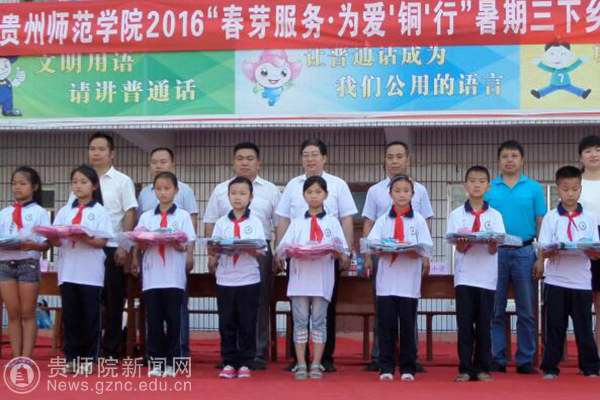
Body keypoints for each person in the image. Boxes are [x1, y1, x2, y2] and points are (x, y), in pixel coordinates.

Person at [275, 139, 357, 372]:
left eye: (314, 154)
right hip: (298, 260)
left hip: (326, 260)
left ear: (325, 157)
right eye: (305, 154)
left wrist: (346, 252)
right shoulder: (292, 185)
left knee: (326, 309)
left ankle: (324, 359)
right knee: (298, 311)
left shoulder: (338, 184)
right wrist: (279, 251)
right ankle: (298, 359)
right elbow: (284, 219)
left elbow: (346, 218)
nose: (310, 159)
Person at [203, 142, 281, 370]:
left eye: (249, 158)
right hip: (225, 253)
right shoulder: (220, 190)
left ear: (258, 163)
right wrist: (211, 254)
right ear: (233, 162)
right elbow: (210, 222)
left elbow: (279, 224)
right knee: (229, 309)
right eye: (240, 158)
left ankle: (257, 353)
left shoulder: (270, 190)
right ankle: (230, 356)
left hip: (259, 251)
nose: (244, 162)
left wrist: (278, 252)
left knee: (258, 303)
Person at [362, 141, 434, 372]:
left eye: (399, 156)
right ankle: (380, 358)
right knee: (383, 310)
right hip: (384, 259)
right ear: (384, 160)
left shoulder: (420, 190)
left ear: (408, 160)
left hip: (411, 261)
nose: (395, 161)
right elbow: (368, 223)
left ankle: (410, 359)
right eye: (390, 157)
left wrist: (424, 255)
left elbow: (427, 222)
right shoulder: (375, 191)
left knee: (409, 311)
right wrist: (367, 255)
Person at [69, 132, 138, 359]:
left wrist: (124, 246)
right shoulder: (81, 181)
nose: (96, 153)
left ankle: (111, 349)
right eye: (92, 149)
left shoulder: (122, 181)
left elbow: (129, 213)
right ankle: (86, 349)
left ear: (112, 153)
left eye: (101, 149)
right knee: (86, 300)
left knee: (113, 300)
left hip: (111, 247)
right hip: (83, 249)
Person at [485, 140, 546, 374]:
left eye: (514, 156)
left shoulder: (534, 188)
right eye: (505, 156)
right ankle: (497, 358)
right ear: (498, 160)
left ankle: (525, 360)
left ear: (522, 160)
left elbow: (541, 224)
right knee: (495, 308)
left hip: (525, 252)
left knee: (527, 309)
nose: (509, 160)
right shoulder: (489, 188)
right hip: (496, 253)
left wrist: (541, 257)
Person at [536, 166, 600, 379]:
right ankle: (550, 367)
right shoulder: (550, 217)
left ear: (580, 189)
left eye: (574, 189)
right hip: (556, 281)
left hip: (581, 281)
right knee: (555, 326)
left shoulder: (589, 218)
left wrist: (589, 249)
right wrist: (552, 250)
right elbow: (544, 249)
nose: (570, 193)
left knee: (583, 327)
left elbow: (595, 253)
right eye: (565, 189)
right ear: (558, 190)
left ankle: (590, 367)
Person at [49, 165, 114, 374]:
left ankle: (90, 358)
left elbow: (103, 241)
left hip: (90, 273)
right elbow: (56, 240)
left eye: (83, 182)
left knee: (91, 317)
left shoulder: (100, 211)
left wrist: (84, 238)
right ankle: (71, 358)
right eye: (75, 182)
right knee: (71, 317)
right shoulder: (64, 211)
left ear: (94, 186)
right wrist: (50, 236)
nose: (78, 186)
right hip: (68, 272)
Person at [132, 172, 196, 378]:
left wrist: (174, 242)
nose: (163, 193)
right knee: (154, 320)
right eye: (158, 189)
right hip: (152, 277)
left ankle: (173, 361)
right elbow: (141, 244)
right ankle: (156, 361)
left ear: (176, 190)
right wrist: (144, 240)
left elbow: (185, 245)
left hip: (174, 277)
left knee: (174, 320)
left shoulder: (183, 216)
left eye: (167, 188)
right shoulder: (146, 217)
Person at [447, 166, 505, 382]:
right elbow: (458, 246)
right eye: (472, 181)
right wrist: (462, 243)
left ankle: (482, 368)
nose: (476, 185)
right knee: (464, 325)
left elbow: (495, 248)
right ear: (465, 186)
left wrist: (491, 243)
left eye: (481, 181)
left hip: (487, 278)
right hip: (464, 277)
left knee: (483, 325)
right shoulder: (456, 215)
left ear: (488, 186)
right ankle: (465, 368)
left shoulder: (496, 216)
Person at [208, 177, 266, 379]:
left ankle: (246, 363)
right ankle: (229, 361)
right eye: (233, 193)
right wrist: (215, 249)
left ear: (251, 197)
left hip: (248, 279)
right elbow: (213, 248)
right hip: (225, 279)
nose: (237, 197)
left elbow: (261, 249)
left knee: (247, 322)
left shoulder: (255, 222)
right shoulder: (221, 223)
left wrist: (246, 247)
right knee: (227, 323)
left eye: (242, 193)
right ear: (228, 196)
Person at [0, 167, 50, 359]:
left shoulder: (39, 212)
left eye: (22, 183)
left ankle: (27, 357)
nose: (17, 187)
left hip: (27, 264)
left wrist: (32, 245)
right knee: (13, 313)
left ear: (34, 187)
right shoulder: (5, 212)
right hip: (5, 265)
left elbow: (46, 243)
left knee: (27, 312)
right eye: (14, 183)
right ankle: (16, 356)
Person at [578, 135, 600, 356]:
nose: (594, 154)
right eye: (588, 151)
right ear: (581, 157)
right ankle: (587, 356)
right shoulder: (576, 184)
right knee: (582, 306)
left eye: (598, 150)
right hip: (580, 245)